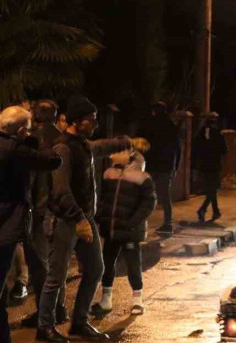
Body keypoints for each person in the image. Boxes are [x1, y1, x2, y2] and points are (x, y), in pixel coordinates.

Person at [37, 96, 147, 343]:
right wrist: (79, 219)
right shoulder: (63, 148)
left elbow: (101, 146)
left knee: (96, 268)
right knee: (56, 277)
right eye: (91, 120)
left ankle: (79, 322)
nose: (95, 124)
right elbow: (61, 191)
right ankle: (44, 327)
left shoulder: (83, 144)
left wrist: (127, 142)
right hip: (65, 221)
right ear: (78, 121)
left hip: (83, 220)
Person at [0, 105, 62, 343]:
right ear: (20, 131)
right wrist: (36, 137)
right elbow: (52, 160)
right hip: (6, 227)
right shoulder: (16, 149)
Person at [21, 100, 68, 328]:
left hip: (38, 208)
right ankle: (59, 309)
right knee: (56, 260)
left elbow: (28, 175)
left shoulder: (31, 139)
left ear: (36, 114)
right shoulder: (63, 137)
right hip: (58, 207)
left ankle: (46, 313)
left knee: (39, 263)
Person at [92, 149, 156, 317]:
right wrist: (101, 216)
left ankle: (137, 300)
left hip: (130, 230)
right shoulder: (109, 173)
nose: (114, 154)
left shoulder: (142, 178)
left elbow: (148, 203)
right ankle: (106, 299)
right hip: (111, 228)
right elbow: (103, 197)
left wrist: (132, 223)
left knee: (133, 264)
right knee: (107, 263)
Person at [137, 102, 179, 235]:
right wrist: (175, 167)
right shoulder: (171, 126)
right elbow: (178, 149)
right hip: (166, 167)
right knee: (165, 196)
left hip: (151, 165)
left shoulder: (149, 125)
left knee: (145, 194)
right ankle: (167, 224)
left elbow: (141, 145)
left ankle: (140, 223)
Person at [192, 112, 227, 223]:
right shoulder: (218, 134)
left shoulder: (201, 133)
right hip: (214, 165)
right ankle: (203, 209)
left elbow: (195, 148)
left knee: (211, 189)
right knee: (213, 188)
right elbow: (224, 150)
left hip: (204, 165)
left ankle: (215, 211)